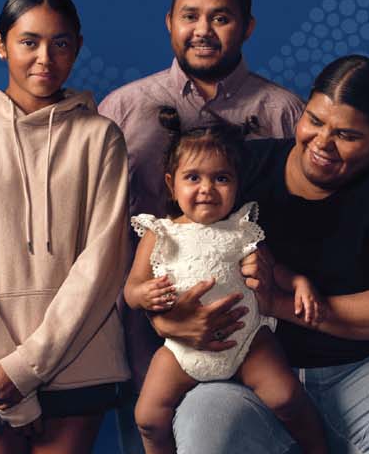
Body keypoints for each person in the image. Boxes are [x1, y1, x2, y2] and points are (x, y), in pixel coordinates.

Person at [152, 55, 369, 453]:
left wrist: (277, 302)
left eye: (347, 135)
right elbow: (174, 250)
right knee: (204, 426)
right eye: (315, 121)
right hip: (250, 368)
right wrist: (169, 321)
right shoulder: (240, 168)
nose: (323, 144)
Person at [98, 0, 305, 453]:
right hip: (152, 345)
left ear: (247, 26)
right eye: (190, 16)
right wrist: (162, 318)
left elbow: (305, 226)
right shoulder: (122, 112)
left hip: (254, 338)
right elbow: (97, 236)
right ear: (169, 21)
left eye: (221, 17)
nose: (203, 31)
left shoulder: (285, 114)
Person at [0, 0, 131, 453]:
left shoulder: (101, 138)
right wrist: (8, 375)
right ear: (1, 45)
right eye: (29, 42)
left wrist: (27, 368)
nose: (45, 57)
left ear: (77, 47)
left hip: (79, 362)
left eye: (60, 43)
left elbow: (103, 264)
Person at [123, 107, 328, 454]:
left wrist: (299, 282)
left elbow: (272, 269)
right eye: (193, 178)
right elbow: (130, 290)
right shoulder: (160, 234)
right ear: (172, 184)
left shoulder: (242, 229)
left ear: (236, 185)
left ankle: (320, 450)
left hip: (247, 340)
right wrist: (145, 294)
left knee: (287, 398)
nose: (207, 189)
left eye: (221, 178)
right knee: (147, 417)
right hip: (182, 349)